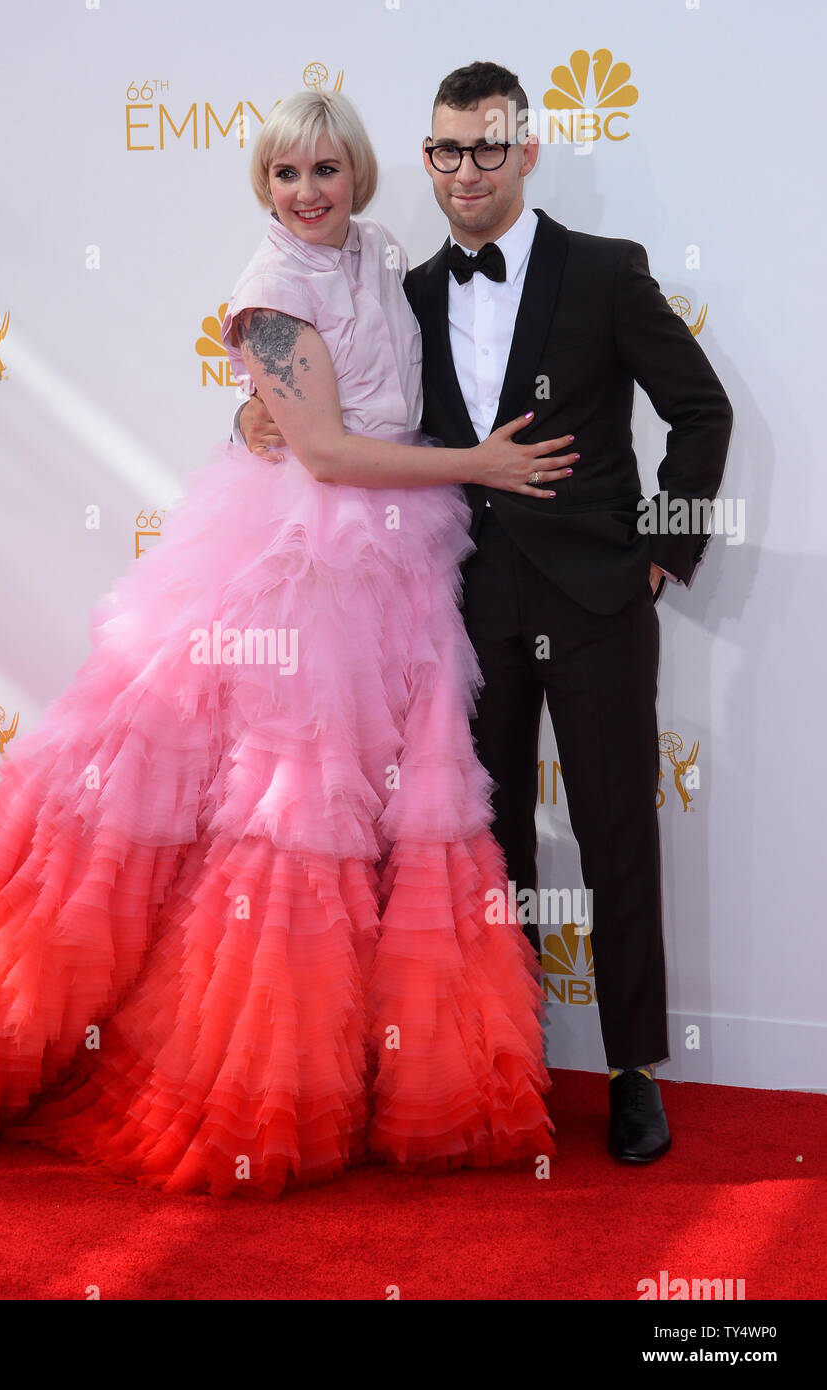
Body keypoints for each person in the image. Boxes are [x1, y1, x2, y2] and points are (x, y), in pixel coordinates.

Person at [0, 91, 576, 1198]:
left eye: (325, 170)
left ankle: (384, 1077)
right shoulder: (270, 294)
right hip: (304, 572)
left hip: (398, 568)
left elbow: (350, 409)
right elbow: (328, 455)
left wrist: (294, 431)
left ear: (361, 176)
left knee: (385, 812)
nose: (306, 193)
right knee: (285, 813)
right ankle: (249, 1086)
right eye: (285, 175)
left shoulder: (380, 251)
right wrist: (475, 464)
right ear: (262, 185)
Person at [241, 64, 734, 1164]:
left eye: (489, 147)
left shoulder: (604, 274)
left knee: (615, 834)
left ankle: (631, 1069)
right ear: (425, 161)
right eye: (448, 151)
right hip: (462, 606)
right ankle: (507, 1059)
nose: (468, 169)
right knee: (486, 851)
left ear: (524, 153)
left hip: (602, 599)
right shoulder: (403, 287)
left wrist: (663, 552)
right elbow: (338, 403)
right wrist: (252, 409)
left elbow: (700, 411)